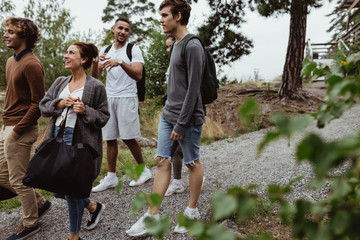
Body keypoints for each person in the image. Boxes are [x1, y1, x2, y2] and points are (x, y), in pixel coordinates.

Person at [126, 0, 206, 236]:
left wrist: (181, 123)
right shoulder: (176, 45)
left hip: (187, 118)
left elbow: (194, 89)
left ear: (178, 16)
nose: (160, 19)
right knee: (162, 162)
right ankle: (152, 215)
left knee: (192, 162)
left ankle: (192, 212)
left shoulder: (192, 46)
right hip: (168, 114)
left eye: (164, 15)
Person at [39, 42, 110, 240]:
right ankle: (93, 206)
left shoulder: (96, 86)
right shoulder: (61, 82)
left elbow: (104, 116)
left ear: (84, 59)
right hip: (57, 139)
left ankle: (73, 236)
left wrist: (86, 111)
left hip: (81, 143)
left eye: (71, 52)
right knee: (59, 189)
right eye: (66, 52)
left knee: (71, 192)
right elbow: (43, 107)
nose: (66, 55)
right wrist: (59, 103)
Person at [0, 17, 52, 240]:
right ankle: (40, 203)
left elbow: (37, 104)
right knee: (3, 177)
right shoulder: (11, 61)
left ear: (24, 36)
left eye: (10, 32)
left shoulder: (32, 64)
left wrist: (18, 130)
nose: (5, 35)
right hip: (8, 126)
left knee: (18, 180)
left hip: (20, 129)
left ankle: (30, 223)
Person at [91, 17, 152, 192]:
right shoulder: (106, 49)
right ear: (113, 29)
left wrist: (121, 62)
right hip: (109, 98)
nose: (123, 32)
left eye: (126, 30)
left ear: (128, 33)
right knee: (109, 138)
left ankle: (144, 170)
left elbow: (138, 75)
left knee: (127, 137)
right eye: (120, 28)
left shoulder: (134, 50)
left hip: (127, 97)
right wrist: (95, 62)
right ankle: (111, 177)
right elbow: (95, 76)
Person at [163, 34, 186, 197]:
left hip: (182, 111)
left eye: (171, 46)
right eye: (166, 47)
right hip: (171, 110)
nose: (168, 49)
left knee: (183, 149)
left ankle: (181, 181)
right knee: (178, 149)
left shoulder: (182, 63)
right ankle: (179, 181)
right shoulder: (171, 65)